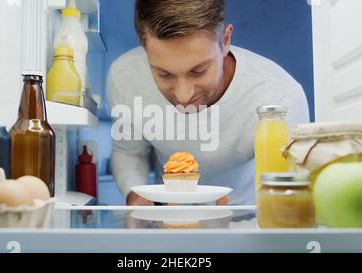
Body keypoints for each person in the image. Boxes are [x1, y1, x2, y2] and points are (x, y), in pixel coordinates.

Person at [107, 0, 310, 205]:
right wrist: (136, 196)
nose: (183, 95)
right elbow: (128, 151)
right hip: (170, 213)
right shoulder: (125, 77)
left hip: (247, 215)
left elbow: (290, 184)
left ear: (225, 40)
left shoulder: (280, 96)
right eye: (164, 74)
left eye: (198, 71)